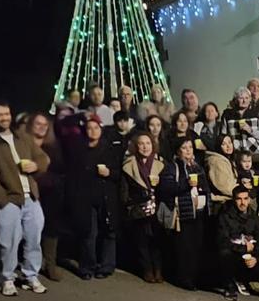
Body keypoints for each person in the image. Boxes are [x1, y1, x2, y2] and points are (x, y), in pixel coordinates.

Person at [0, 101, 49, 296]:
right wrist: (2, 200)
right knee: (9, 241)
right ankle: (7, 277)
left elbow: (42, 158)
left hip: (31, 197)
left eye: (7, 114)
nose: (4, 118)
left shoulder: (22, 137)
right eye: (0, 115)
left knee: (34, 238)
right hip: (9, 199)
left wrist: (36, 166)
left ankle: (30, 275)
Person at [68, 117, 122, 280]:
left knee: (108, 232)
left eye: (96, 128)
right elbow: (72, 175)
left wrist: (109, 173)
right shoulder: (79, 150)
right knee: (88, 233)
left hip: (106, 196)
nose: (93, 131)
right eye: (89, 128)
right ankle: (87, 267)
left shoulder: (109, 149)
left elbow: (119, 173)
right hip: (85, 197)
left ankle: (106, 266)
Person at [156, 138, 211, 290]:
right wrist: (186, 184)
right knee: (185, 248)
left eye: (190, 147)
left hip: (199, 212)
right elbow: (166, 188)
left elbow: (205, 187)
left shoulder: (197, 167)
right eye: (184, 147)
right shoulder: (172, 167)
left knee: (197, 247)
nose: (188, 150)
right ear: (178, 151)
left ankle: (196, 278)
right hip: (183, 213)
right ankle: (184, 279)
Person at [215, 185, 259, 301]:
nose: (242, 203)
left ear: (249, 199)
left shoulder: (253, 217)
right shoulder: (225, 216)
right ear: (234, 200)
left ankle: (244, 279)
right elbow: (222, 242)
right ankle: (229, 285)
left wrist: (256, 258)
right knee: (224, 254)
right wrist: (244, 248)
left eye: (245, 199)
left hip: (250, 256)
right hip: (234, 255)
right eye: (239, 199)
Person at [119, 132, 165, 283]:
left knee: (157, 241)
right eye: (141, 144)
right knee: (142, 241)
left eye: (148, 143)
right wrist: (129, 204)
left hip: (157, 207)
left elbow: (167, 188)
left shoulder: (161, 163)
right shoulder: (128, 165)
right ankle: (147, 270)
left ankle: (158, 270)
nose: (145, 147)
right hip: (138, 207)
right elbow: (124, 190)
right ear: (136, 146)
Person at [28, 112, 65, 282]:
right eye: (38, 124)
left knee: (51, 228)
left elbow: (60, 170)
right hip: (30, 192)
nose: (42, 127)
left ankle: (49, 264)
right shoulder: (24, 145)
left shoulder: (54, 147)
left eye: (45, 124)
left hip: (51, 194)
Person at [222, 87, 259, 153]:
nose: (244, 101)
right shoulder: (228, 114)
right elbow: (223, 134)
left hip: (254, 151)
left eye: (247, 98)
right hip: (235, 151)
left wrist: (251, 130)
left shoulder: (256, 113)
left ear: (250, 100)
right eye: (241, 98)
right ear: (235, 100)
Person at [204, 134, 241, 201]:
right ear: (218, 146)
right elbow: (225, 187)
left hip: (232, 197)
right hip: (223, 201)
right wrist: (242, 191)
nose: (228, 146)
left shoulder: (229, 159)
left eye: (230, 142)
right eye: (223, 144)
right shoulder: (217, 161)